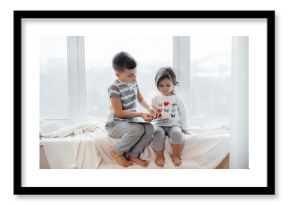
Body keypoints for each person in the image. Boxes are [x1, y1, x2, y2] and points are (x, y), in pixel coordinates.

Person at [105, 51, 158, 168]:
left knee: (150, 128)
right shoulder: (114, 88)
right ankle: (117, 152)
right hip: (115, 124)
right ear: (117, 74)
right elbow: (119, 113)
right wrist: (140, 114)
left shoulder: (133, 81)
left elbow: (140, 98)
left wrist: (150, 108)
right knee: (138, 129)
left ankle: (134, 155)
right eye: (130, 75)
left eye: (135, 73)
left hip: (129, 121)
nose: (134, 77)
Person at [151, 67, 190, 167]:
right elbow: (151, 112)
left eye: (168, 85)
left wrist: (184, 127)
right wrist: (152, 117)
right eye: (161, 85)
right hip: (159, 124)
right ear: (157, 85)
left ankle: (176, 155)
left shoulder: (177, 98)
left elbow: (183, 113)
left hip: (173, 124)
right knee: (157, 133)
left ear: (174, 83)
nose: (165, 88)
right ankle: (159, 156)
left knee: (177, 133)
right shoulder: (155, 98)